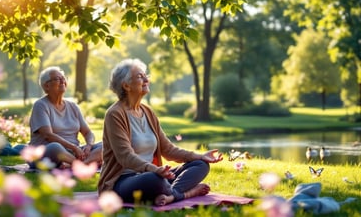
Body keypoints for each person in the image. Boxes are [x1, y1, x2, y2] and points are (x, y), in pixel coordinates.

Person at [98, 58, 223, 206]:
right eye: (140, 76)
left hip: (154, 174)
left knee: (200, 165)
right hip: (123, 181)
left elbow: (168, 149)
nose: (146, 79)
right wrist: (155, 170)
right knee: (154, 180)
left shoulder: (148, 112)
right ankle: (185, 193)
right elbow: (125, 156)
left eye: (146, 75)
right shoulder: (114, 114)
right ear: (126, 85)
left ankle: (170, 195)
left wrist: (200, 156)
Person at [28, 66, 102, 169]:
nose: (62, 81)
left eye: (63, 78)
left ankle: (75, 164)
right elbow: (48, 135)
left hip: (72, 153)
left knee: (107, 144)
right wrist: (74, 148)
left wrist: (88, 146)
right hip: (45, 154)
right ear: (46, 86)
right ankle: (83, 164)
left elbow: (88, 133)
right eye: (57, 79)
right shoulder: (40, 105)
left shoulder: (73, 106)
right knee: (55, 147)